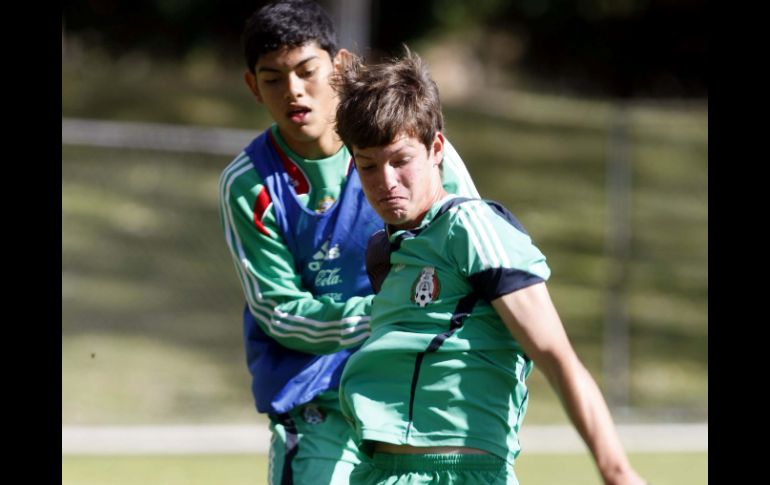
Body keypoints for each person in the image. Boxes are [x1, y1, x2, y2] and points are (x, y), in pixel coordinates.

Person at [334, 49, 648, 485]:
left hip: (462, 474)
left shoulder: (472, 227)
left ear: (436, 148)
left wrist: (616, 470)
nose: (386, 182)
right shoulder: (383, 252)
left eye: (401, 160)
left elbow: (556, 356)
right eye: (368, 166)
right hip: (376, 473)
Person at [218, 2, 479, 484]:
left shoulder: (406, 143)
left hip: (414, 389)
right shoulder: (250, 184)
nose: (293, 89)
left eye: (306, 70)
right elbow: (278, 311)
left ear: (338, 67)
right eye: (273, 78)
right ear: (253, 87)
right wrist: (388, 313)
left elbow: (473, 244)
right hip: (317, 399)